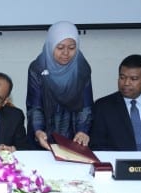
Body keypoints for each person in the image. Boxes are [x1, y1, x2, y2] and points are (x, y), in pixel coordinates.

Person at [26, 21, 93, 150]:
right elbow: (35, 106)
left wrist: (83, 130)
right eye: (60, 47)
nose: (66, 53)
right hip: (44, 134)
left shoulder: (82, 68)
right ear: (51, 45)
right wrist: (38, 130)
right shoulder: (37, 68)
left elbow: (86, 106)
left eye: (72, 48)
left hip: (74, 133)